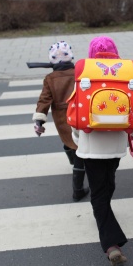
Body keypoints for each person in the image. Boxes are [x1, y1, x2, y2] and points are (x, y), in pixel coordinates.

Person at [71, 36, 129, 266]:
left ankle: (110, 244)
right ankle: (111, 239)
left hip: (90, 147)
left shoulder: (84, 77)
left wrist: (78, 140)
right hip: (115, 147)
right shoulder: (124, 78)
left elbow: (74, 117)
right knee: (108, 185)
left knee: (98, 193)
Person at [32, 41, 89, 202]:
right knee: (78, 146)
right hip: (80, 114)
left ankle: (77, 189)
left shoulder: (50, 78)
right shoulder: (79, 72)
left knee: (70, 142)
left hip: (62, 119)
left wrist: (39, 122)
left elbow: (44, 100)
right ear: (70, 57)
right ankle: (77, 189)